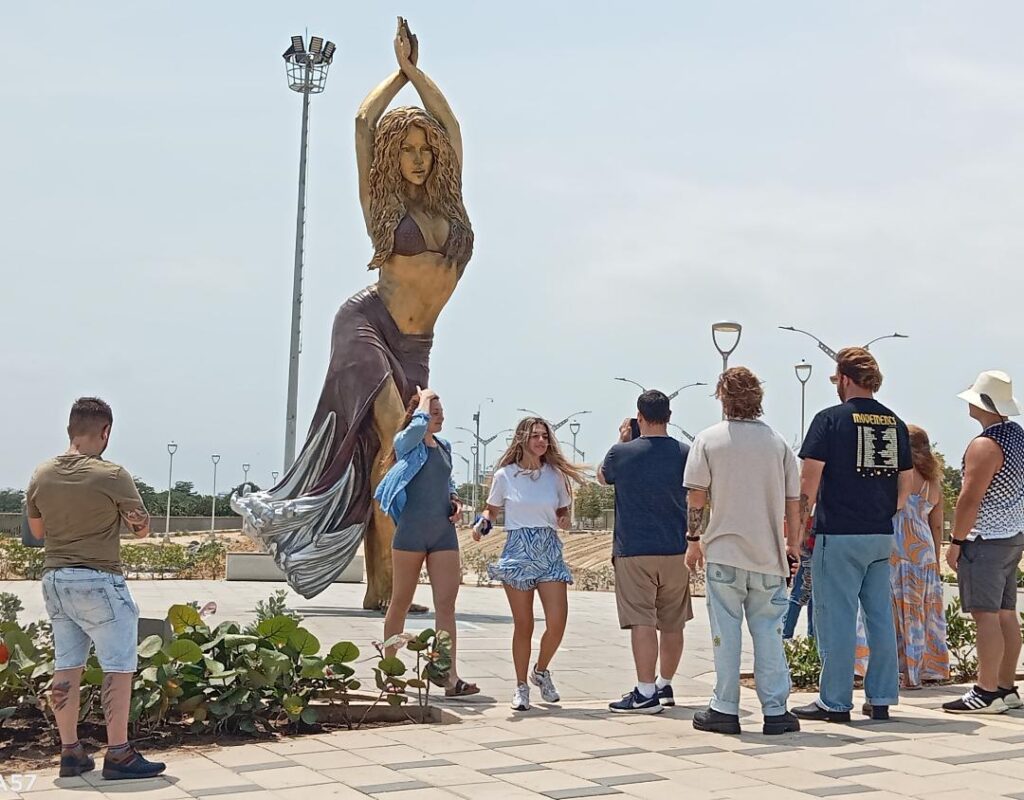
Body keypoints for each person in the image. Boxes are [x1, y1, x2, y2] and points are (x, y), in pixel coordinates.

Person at [233, 18, 474, 610]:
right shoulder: (382, 208)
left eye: (425, 150)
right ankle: (389, 589)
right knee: (396, 439)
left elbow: (452, 125)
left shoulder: (451, 203)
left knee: (387, 460)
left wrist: (421, 74)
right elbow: (364, 122)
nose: (418, 158)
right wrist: (400, 74)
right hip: (367, 325)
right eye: (407, 149)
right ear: (392, 156)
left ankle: (379, 587)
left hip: (416, 346)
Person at [25, 398, 165, 780]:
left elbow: (37, 531)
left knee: (67, 664)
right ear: (106, 431)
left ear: (70, 428)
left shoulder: (41, 473)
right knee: (118, 666)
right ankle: (118, 753)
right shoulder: (112, 475)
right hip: (100, 579)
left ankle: (70, 752)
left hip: (56, 579)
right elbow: (141, 529)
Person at [792, 347, 912, 724]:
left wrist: (797, 531)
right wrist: (882, 510)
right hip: (879, 534)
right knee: (879, 617)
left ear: (844, 379)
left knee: (837, 618)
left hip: (838, 534)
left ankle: (835, 701)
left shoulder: (829, 420)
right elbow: (905, 485)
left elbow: (808, 483)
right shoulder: (895, 423)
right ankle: (881, 697)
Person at [683, 369, 802, 735]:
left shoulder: (708, 440)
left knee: (726, 632)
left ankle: (724, 707)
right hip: (768, 554)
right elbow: (794, 501)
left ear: (722, 397)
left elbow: (697, 497)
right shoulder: (778, 444)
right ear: (758, 398)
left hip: (724, 551)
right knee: (768, 632)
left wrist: (692, 539)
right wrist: (792, 546)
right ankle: (776, 711)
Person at [473, 417, 586, 711]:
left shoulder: (555, 475)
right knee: (523, 624)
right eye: (536, 436)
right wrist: (482, 525)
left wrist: (564, 519)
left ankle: (541, 671)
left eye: (545, 436)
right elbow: (491, 510)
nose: (541, 441)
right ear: (523, 439)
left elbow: (562, 511)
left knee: (557, 623)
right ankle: (521, 686)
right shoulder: (505, 476)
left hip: (548, 550)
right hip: (518, 549)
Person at [375, 387, 477, 697]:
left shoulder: (444, 446)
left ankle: (448, 676)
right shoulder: (407, 443)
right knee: (400, 603)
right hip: (410, 534)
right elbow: (416, 428)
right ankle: (390, 673)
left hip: (443, 534)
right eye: (434, 412)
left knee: (446, 606)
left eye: (441, 411)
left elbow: (446, 480)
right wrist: (424, 399)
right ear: (419, 414)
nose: (439, 416)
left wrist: (455, 499)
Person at [597, 390, 692, 714]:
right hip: (676, 549)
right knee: (673, 622)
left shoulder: (621, 453)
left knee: (642, 621)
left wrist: (623, 439)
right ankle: (665, 684)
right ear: (669, 416)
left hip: (634, 550)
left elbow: (602, 477)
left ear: (639, 417)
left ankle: (645, 692)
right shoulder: (685, 453)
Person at [943, 371, 1024, 714]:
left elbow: (969, 499)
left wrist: (956, 541)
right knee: (1006, 613)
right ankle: (1005, 686)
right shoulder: (1017, 436)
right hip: (1012, 534)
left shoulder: (984, 445)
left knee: (985, 615)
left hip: (985, 538)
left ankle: (985, 690)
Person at [854, 425, 949, 689]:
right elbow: (937, 524)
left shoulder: (897, 474)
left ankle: (887, 668)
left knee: (887, 608)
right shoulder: (933, 480)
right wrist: (936, 558)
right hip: (924, 549)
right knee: (919, 610)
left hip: (896, 545)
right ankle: (919, 670)